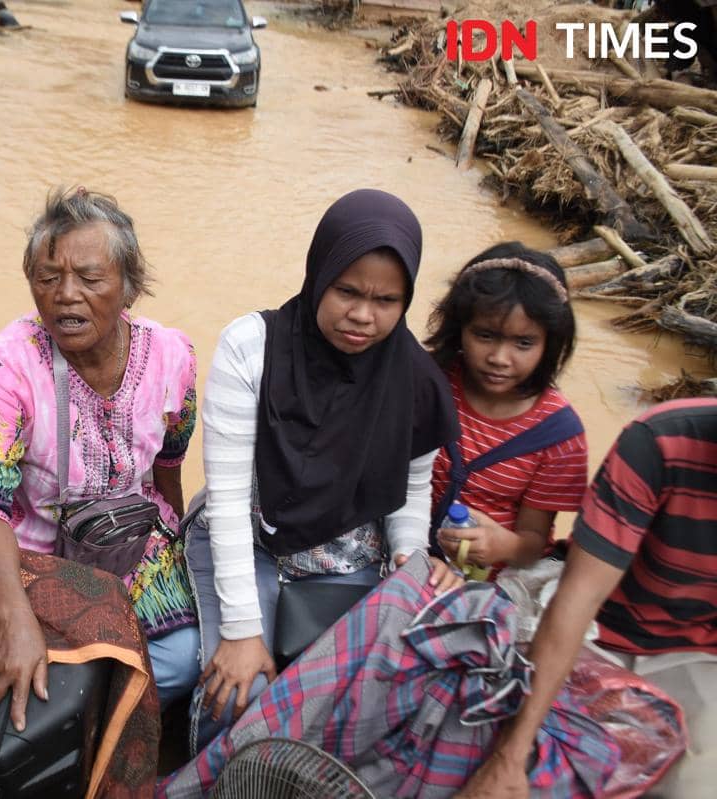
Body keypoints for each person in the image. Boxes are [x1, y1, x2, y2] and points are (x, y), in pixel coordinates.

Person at [186, 188, 463, 753]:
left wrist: (409, 559)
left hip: (349, 561)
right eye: (347, 291)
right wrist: (242, 631)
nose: (363, 315)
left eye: (386, 300)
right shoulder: (251, 348)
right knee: (236, 695)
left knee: (363, 703)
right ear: (319, 274)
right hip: (251, 545)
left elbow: (411, 492)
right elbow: (230, 500)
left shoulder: (414, 378)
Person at [0, 186, 200, 728]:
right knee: (35, 673)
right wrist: (13, 615)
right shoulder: (9, 363)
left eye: (90, 279)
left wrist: (180, 545)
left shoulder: (173, 356)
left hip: (135, 545)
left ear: (129, 287)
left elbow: (169, 464)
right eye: (48, 278)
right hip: (34, 556)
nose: (66, 295)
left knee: (184, 658)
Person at [458, 398, 717, 798]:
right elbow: (579, 597)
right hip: (599, 631)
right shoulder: (660, 441)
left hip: (696, 651)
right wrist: (510, 756)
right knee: (517, 760)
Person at [425, 243, 588, 579]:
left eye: (523, 343)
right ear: (459, 327)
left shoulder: (558, 436)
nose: (499, 358)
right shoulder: (429, 382)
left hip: (490, 579)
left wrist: (503, 546)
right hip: (407, 550)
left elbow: (532, 544)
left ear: (550, 343)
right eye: (485, 335)